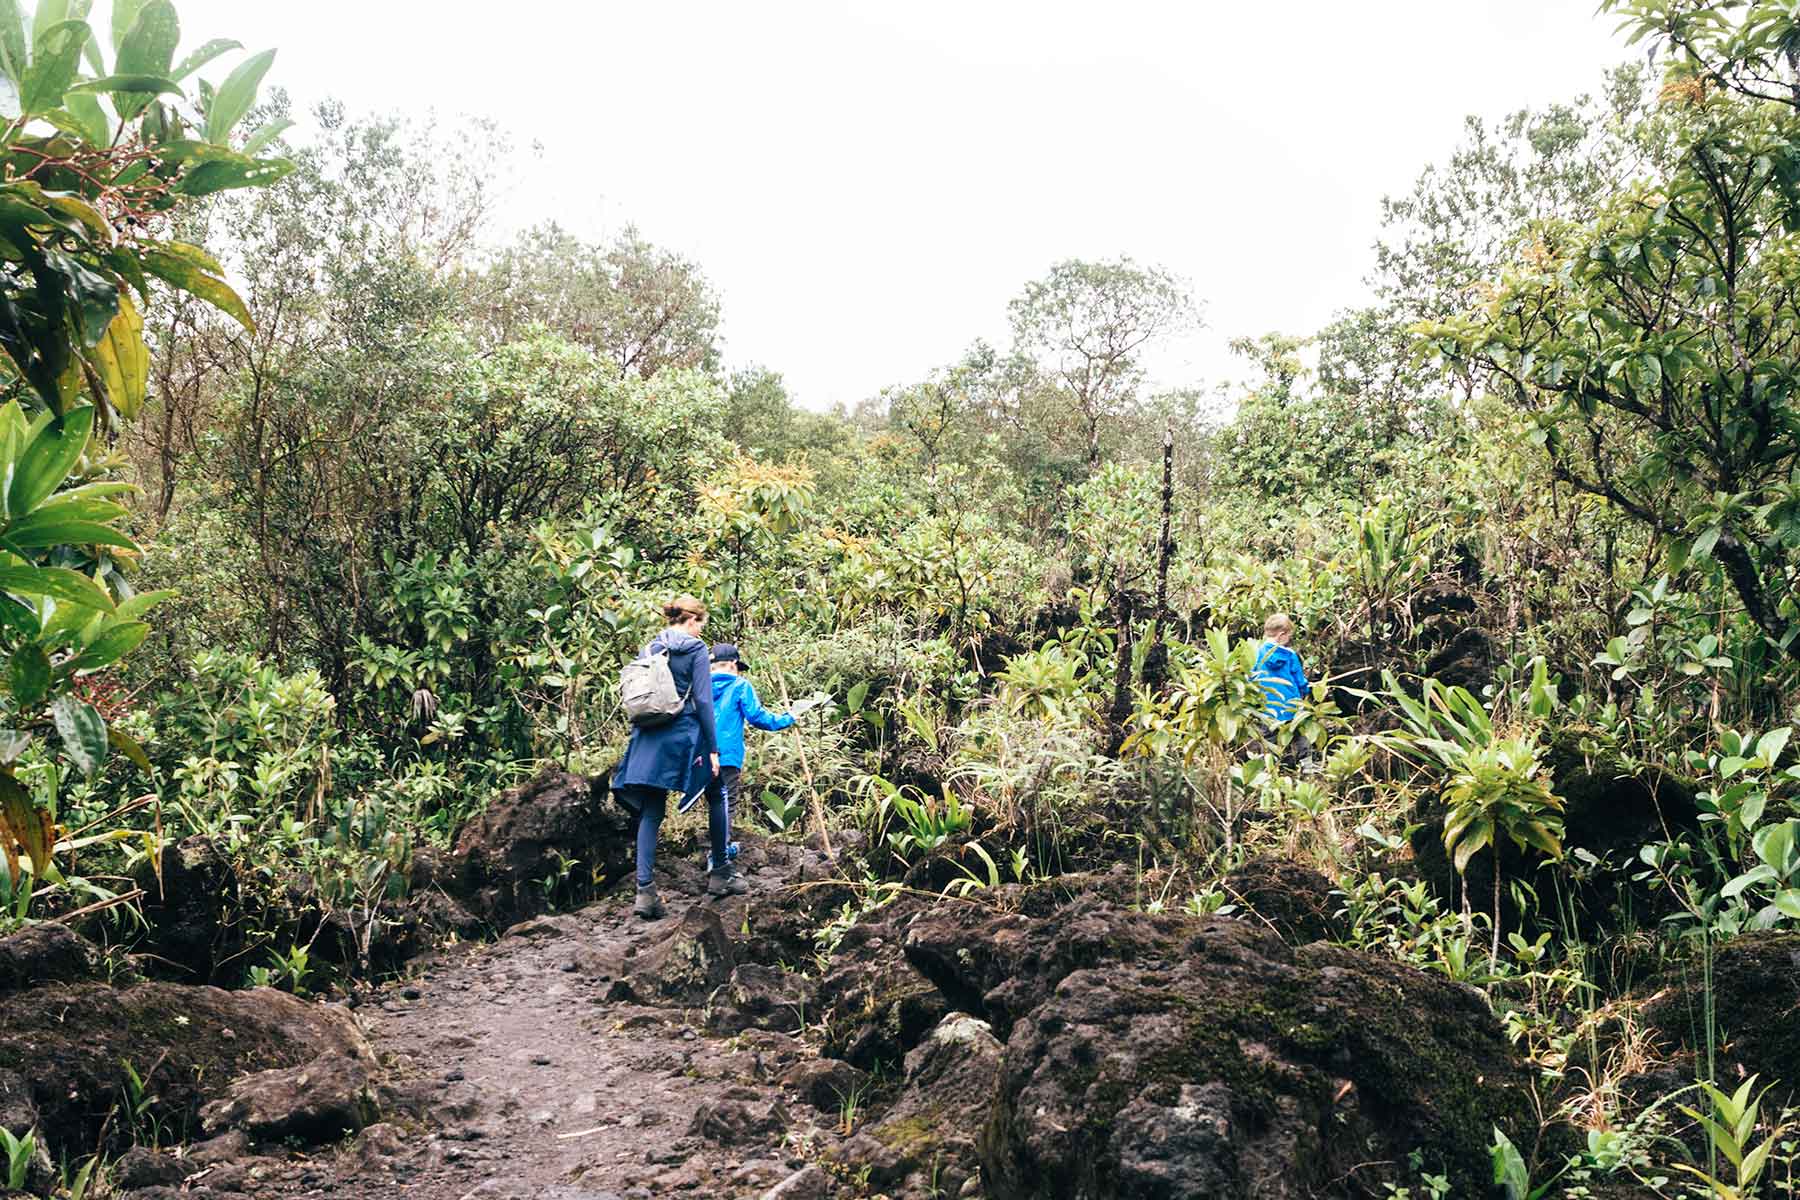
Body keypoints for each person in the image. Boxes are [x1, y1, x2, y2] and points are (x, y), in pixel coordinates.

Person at [613, 596, 738, 920]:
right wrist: (713, 748)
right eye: (701, 625)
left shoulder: (652, 647)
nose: (700, 632)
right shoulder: (695, 649)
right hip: (683, 736)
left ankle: (645, 892)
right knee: (716, 792)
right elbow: (703, 700)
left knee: (651, 811)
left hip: (648, 735)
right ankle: (720, 873)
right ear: (693, 621)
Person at [700, 644, 813, 868]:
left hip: (700, 756)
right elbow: (757, 716)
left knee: (713, 803)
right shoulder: (739, 685)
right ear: (733, 664)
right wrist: (787, 718)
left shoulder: (699, 687)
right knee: (726, 803)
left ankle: (719, 849)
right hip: (727, 755)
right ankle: (719, 855)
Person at [1251, 613, 1312, 767]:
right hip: (1291, 707)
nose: (1289, 639)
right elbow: (1300, 682)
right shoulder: (1290, 655)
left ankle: (1273, 771)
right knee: (1299, 737)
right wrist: (1306, 693)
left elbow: (1250, 679)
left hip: (1267, 709)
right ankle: (1307, 769)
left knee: (1269, 741)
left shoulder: (1256, 653)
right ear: (1281, 635)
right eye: (1289, 635)